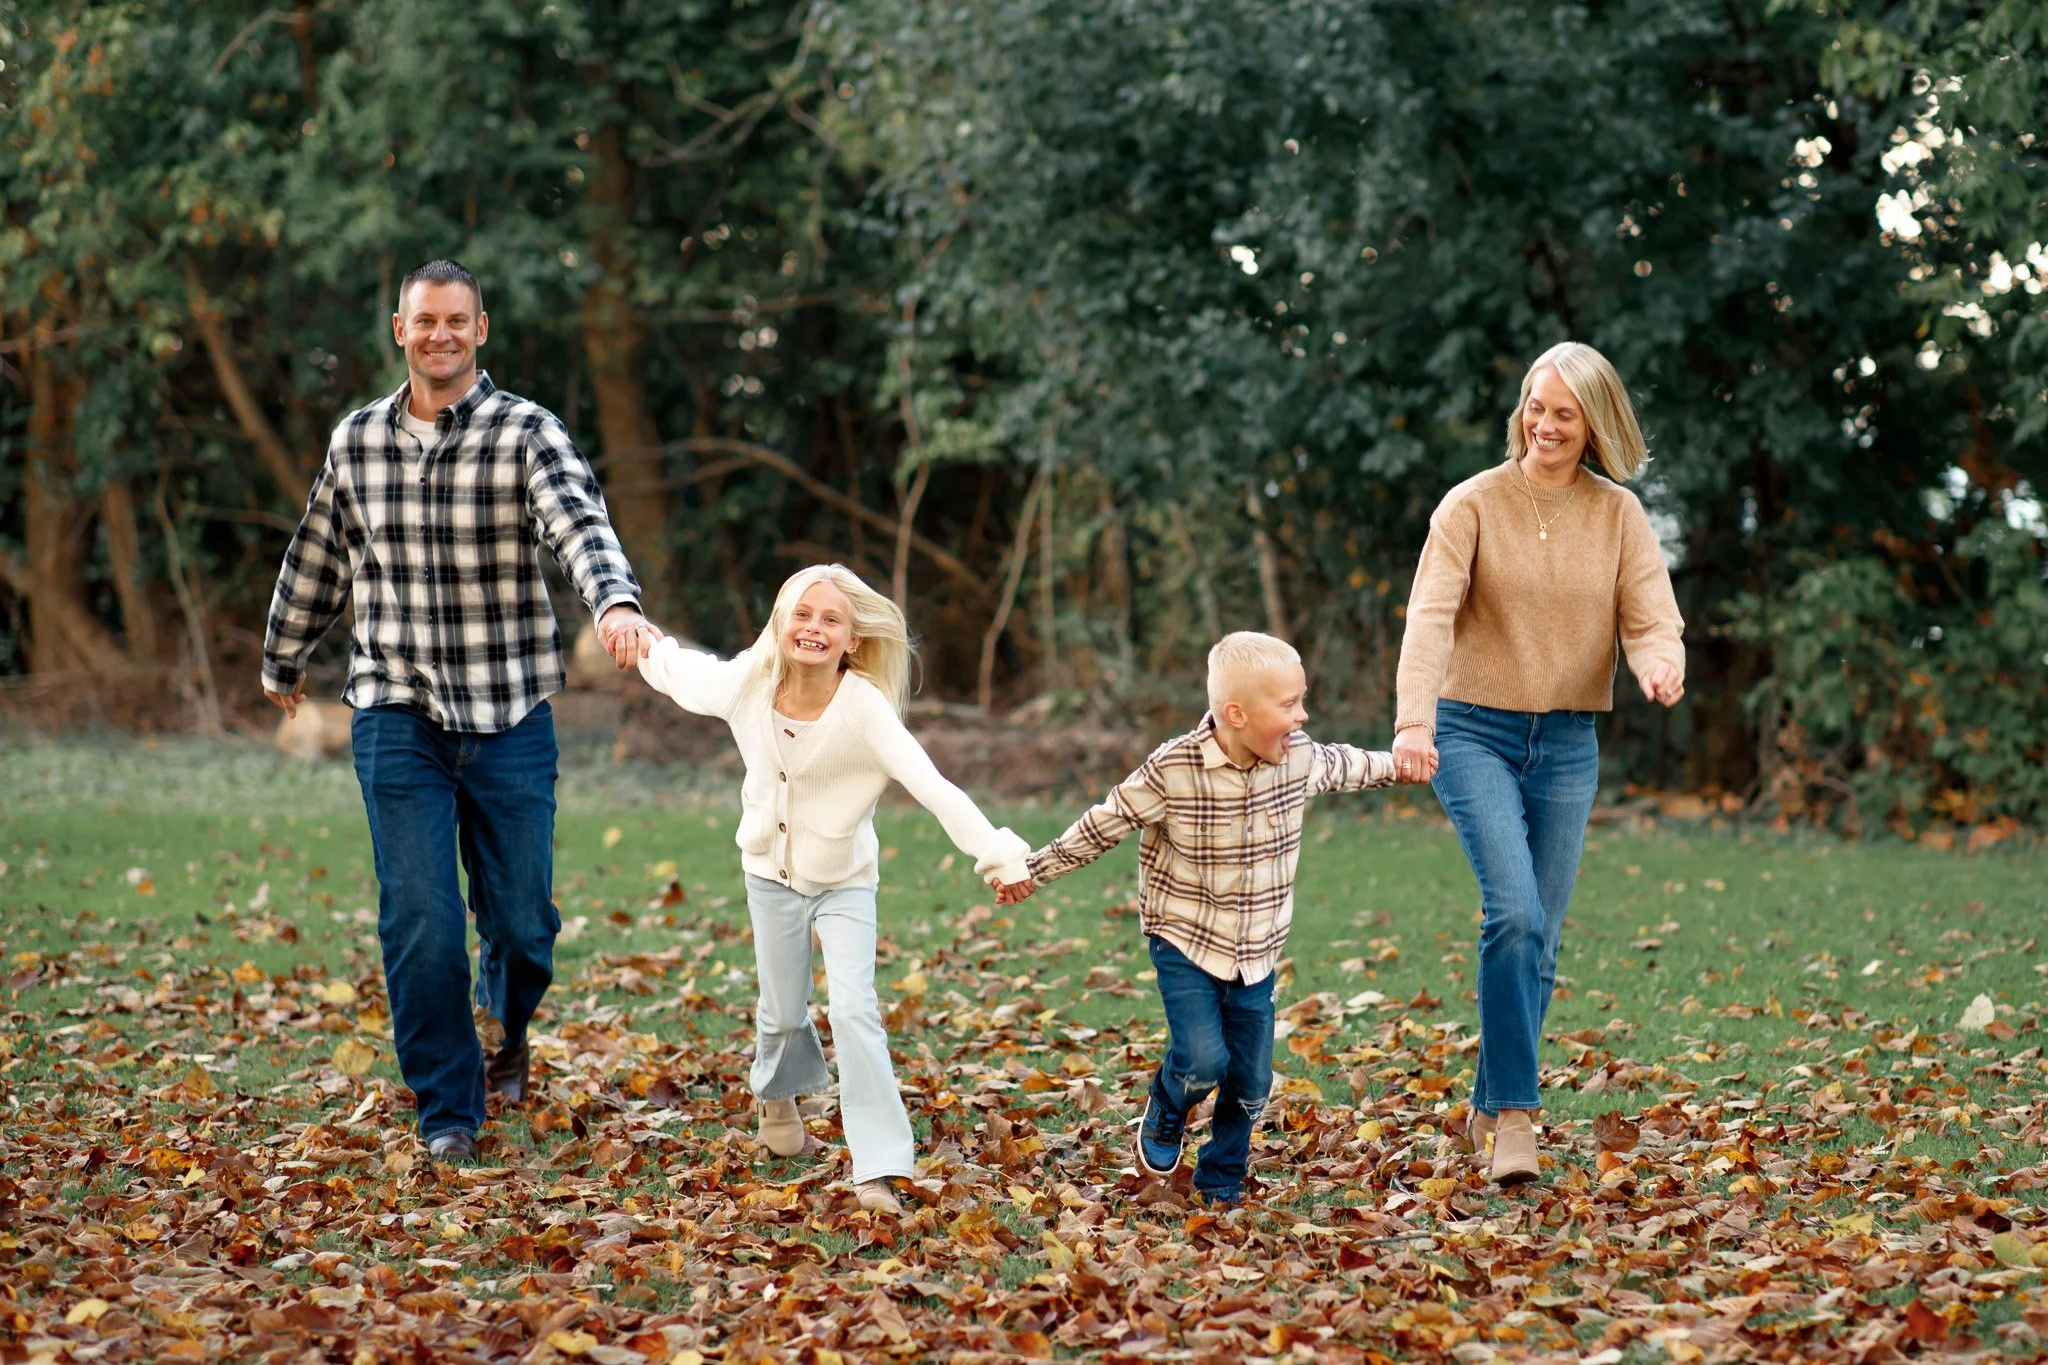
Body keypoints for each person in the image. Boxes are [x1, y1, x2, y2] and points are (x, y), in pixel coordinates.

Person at [260, 259, 660, 1162]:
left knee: (523, 924)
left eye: (456, 320)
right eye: (423, 320)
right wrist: (285, 652)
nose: (439, 334)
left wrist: (616, 603)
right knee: (421, 918)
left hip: (511, 710)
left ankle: (505, 1023)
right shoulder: (356, 440)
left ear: (482, 330)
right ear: (398, 330)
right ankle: (447, 1109)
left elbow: (579, 526)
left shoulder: (528, 432)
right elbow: (321, 550)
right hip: (396, 711)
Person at [633, 563, 1031, 1215]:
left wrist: (997, 855)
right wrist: (637, 636)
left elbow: (933, 787)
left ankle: (877, 1167)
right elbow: (686, 674)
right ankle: (777, 1090)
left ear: (852, 639)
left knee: (854, 1009)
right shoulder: (749, 684)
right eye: (803, 613)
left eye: (831, 619)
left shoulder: (865, 709)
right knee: (784, 1011)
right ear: (780, 623)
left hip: (846, 881)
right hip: (769, 872)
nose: (814, 627)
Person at [1391, 340, 1684, 1185]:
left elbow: (1651, 614)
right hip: (1470, 730)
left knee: (1541, 941)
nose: (1544, 425)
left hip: (1565, 741)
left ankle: (1486, 1102)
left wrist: (1659, 659)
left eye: (1563, 413)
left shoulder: (1618, 514)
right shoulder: (1472, 505)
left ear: (1593, 422)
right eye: (1535, 405)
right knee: (1514, 913)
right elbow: (1429, 620)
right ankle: (1518, 1118)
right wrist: (1414, 722)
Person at [997, 632, 1421, 1206]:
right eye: (1290, 704)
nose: (1303, 716)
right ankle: (1170, 1103)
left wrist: (1402, 762)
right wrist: (1034, 869)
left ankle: (1220, 1183)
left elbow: (1349, 763)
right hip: (1185, 938)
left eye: (1302, 701)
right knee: (1202, 1062)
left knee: (1250, 1081)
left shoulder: (1297, 757)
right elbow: (1105, 823)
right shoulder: (1173, 769)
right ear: (1236, 714)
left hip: (1258, 949)